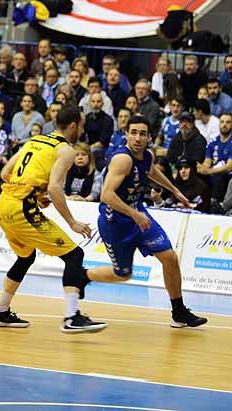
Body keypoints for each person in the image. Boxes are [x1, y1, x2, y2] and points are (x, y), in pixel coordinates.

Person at [0, 106, 106, 332]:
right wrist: (72, 222)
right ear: (73, 125)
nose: (82, 129)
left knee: (25, 258)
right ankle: (72, 317)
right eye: (81, 125)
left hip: (3, 206)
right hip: (21, 209)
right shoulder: (66, 150)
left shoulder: (35, 140)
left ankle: (1, 312)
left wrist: (34, 193)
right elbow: (55, 188)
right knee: (75, 255)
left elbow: (5, 173)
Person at [84, 115, 207, 328]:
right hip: (116, 222)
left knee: (170, 258)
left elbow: (151, 171)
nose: (138, 138)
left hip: (138, 215)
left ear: (149, 137)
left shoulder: (147, 156)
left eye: (142, 134)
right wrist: (134, 214)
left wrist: (174, 190)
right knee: (122, 274)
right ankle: (82, 275)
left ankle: (179, 312)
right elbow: (106, 195)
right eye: (133, 133)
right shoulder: (123, 160)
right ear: (126, 134)